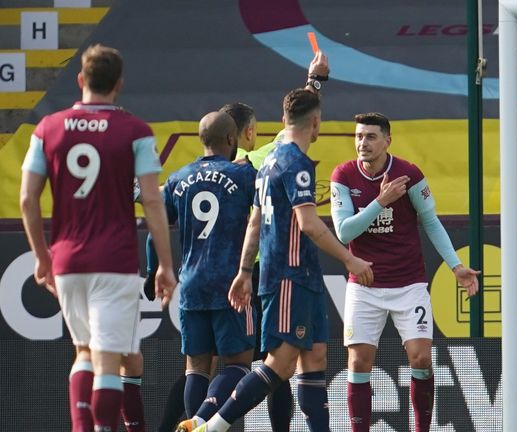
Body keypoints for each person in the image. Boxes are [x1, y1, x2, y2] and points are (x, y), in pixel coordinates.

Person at [190, 88, 373, 432]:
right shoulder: (297, 163)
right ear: (316, 123)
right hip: (288, 277)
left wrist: (245, 271)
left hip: (305, 275)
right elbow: (308, 224)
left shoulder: (268, 162)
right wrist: (351, 260)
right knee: (281, 363)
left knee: (315, 357)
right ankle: (212, 426)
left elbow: (255, 222)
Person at [19, 43, 177, 432]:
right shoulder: (136, 131)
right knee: (108, 357)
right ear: (119, 84)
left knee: (83, 353)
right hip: (116, 260)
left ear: (80, 80)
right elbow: (152, 201)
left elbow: (26, 198)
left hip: (68, 260)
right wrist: (166, 264)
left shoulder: (47, 129)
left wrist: (42, 256)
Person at [329, 112, 480, 432]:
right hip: (364, 286)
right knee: (358, 364)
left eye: (370, 137)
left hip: (409, 284)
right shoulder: (343, 175)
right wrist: (381, 202)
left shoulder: (408, 173)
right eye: (358, 136)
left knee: (421, 359)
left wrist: (455, 266)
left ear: (387, 141)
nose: (362, 143)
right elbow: (344, 233)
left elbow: (431, 221)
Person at [155, 111, 260, 432]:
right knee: (240, 363)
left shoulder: (177, 178)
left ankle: (195, 422)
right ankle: (201, 422)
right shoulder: (244, 176)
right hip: (230, 282)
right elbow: (259, 219)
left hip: (191, 284)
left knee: (196, 367)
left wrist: (156, 269)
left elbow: (155, 224)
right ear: (232, 139)